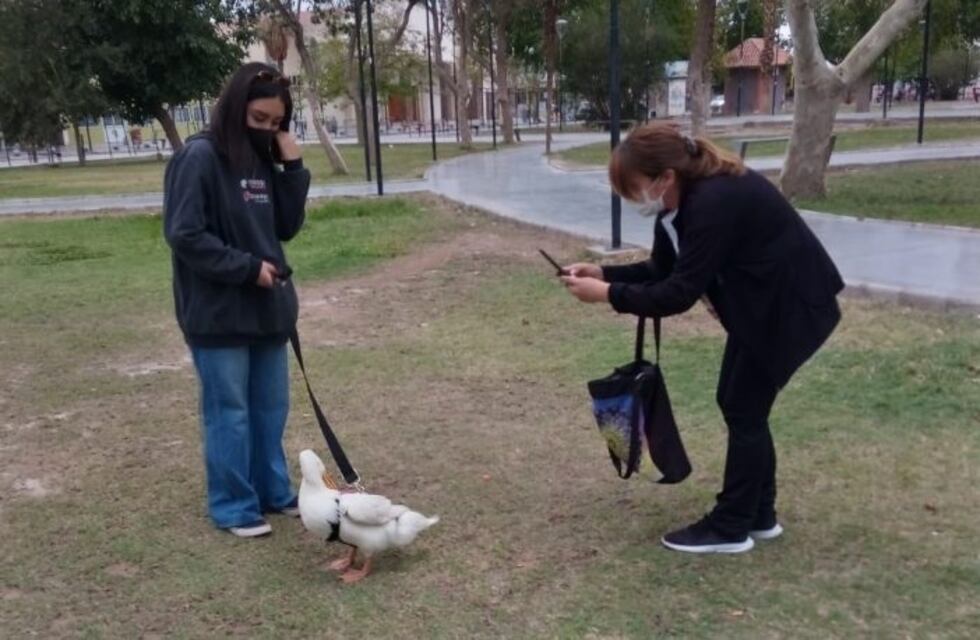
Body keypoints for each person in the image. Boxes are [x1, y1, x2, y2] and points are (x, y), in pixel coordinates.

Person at [561, 124, 844, 554]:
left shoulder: (713, 202)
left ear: (665, 177)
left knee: (744, 409)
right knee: (739, 404)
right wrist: (605, 274)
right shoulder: (679, 205)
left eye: (637, 189)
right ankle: (758, 514)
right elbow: (663, 269)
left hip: (792, 308)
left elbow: (679, 294)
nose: (638, 200)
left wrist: (607, 297)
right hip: (763, 310)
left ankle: (731, 526)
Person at [163, 62, 311, 538]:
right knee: (230, 411)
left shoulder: (265, 159)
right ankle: (233, 505)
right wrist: (247, 269)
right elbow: (184, 235)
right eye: (260, 120)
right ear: (235, 109)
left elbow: (284, 227)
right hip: (218, 311)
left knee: (271, 408)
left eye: (277, 123)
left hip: (268, 311)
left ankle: (272, 490)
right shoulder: (199, 158)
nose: (268, 130)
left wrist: (292, 166)